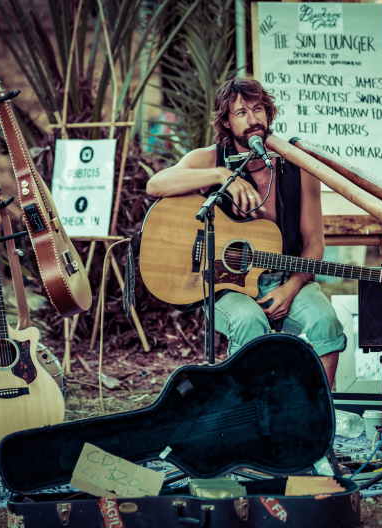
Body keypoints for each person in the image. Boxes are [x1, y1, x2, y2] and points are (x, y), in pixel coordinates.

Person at [146, 76, 345, 388]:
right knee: (249, 321)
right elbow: (155, 185)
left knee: (326, 323)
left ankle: (323, 413)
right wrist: (220, 174)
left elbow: (314, 247)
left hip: (288, 277)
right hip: (225, 283)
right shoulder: (211, 159)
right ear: (226, 121)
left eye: (258, 109)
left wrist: (289, 290)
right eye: (241, 113)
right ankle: (248, 415)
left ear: (268, 113)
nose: (253, 120)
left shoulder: (299, 167)